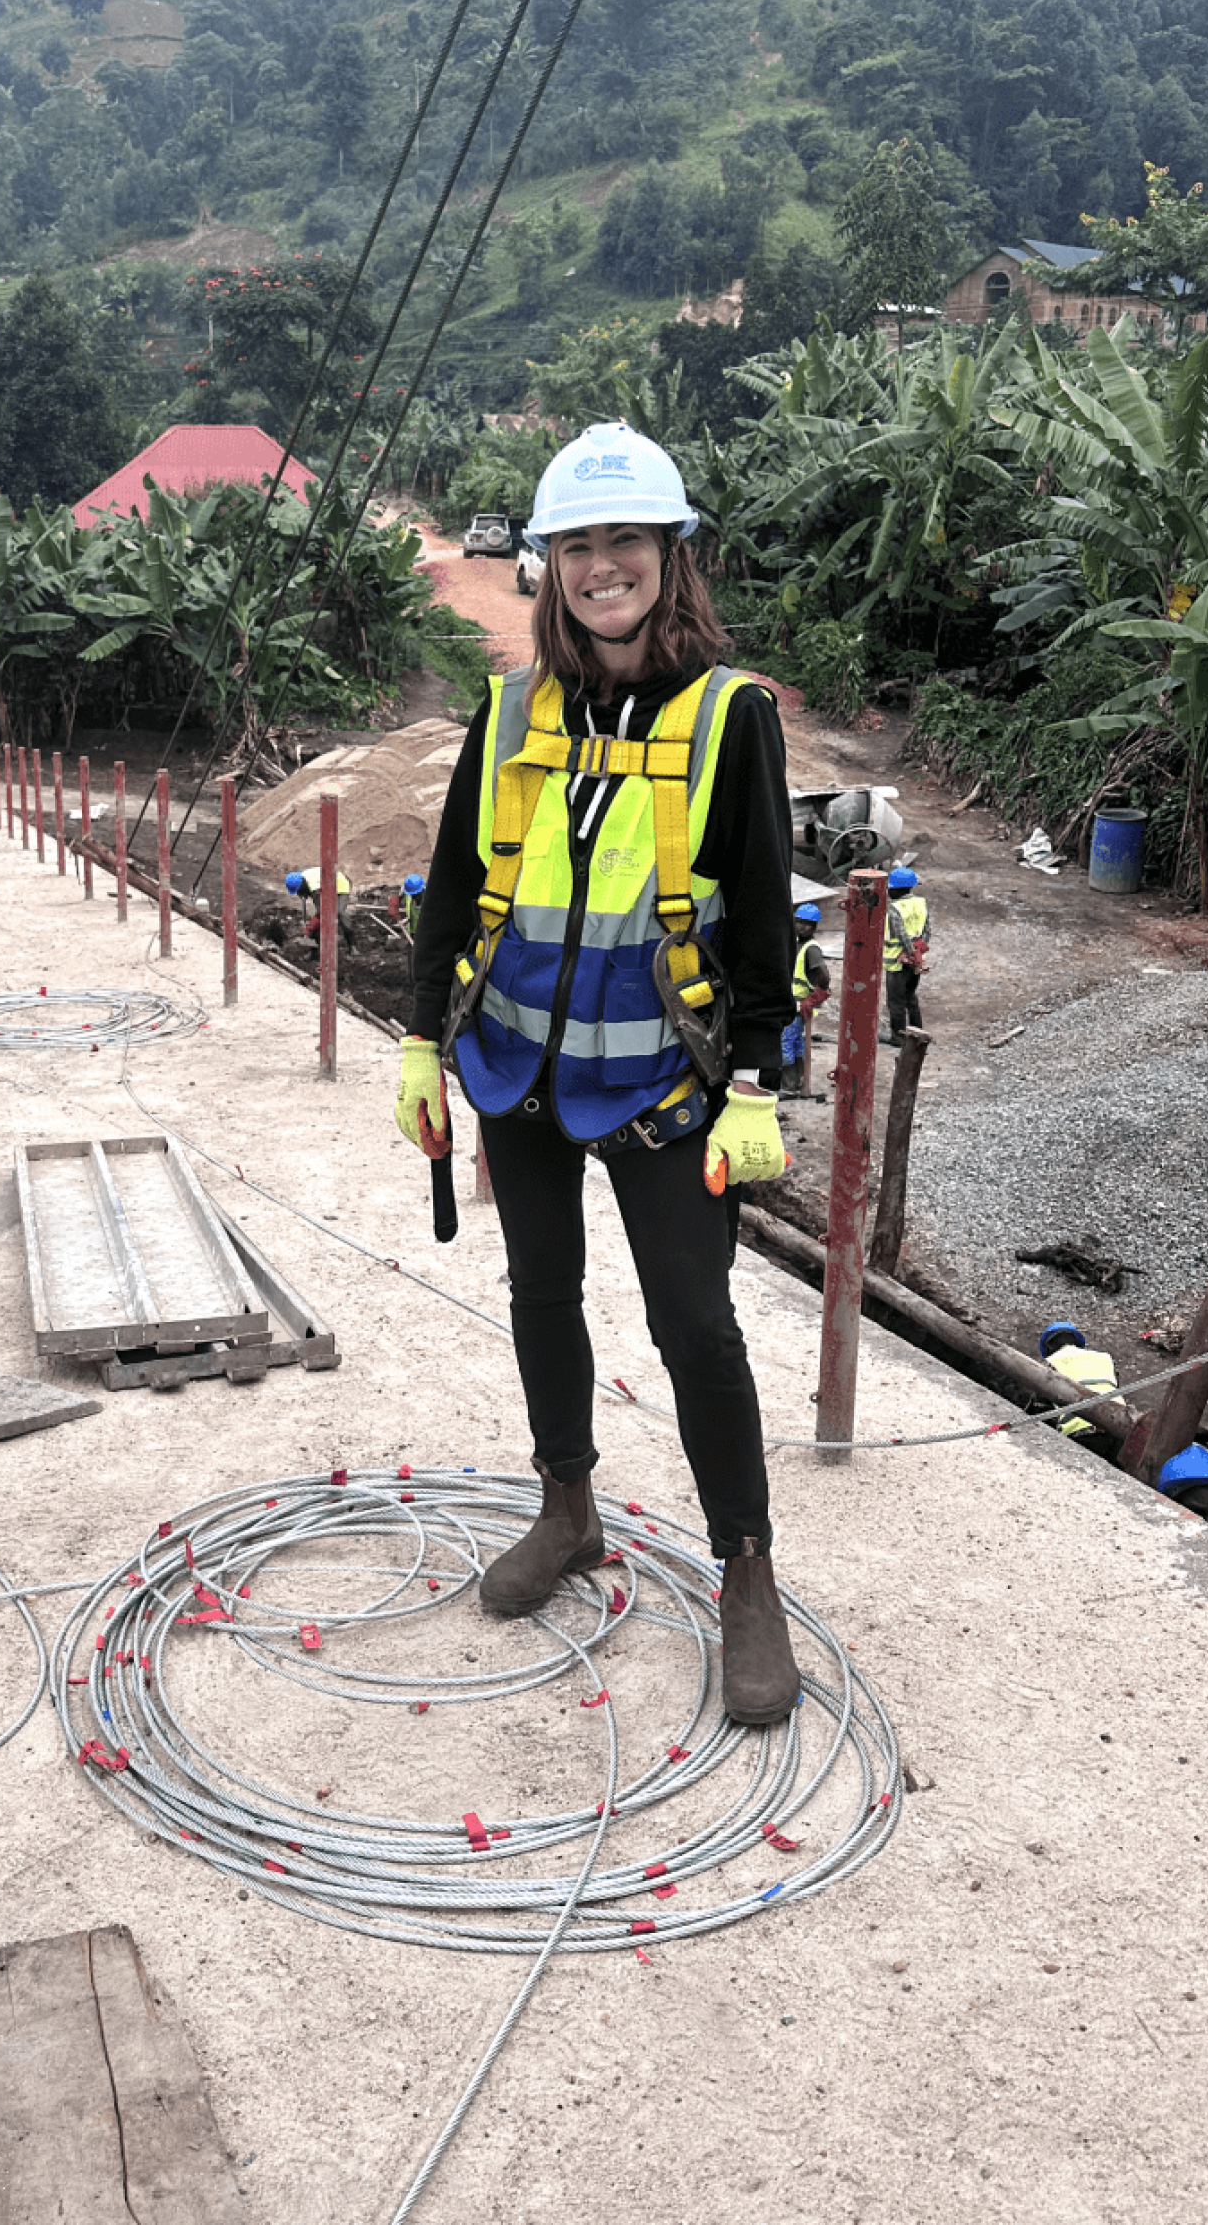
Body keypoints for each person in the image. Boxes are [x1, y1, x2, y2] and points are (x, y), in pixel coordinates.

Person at [393, 422, 803, 1726]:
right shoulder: (512, 710)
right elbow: (455, 885)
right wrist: (417, 1035)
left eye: (626, 539)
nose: (601, 565)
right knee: (540, 1291)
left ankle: (748, 1568)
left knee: (696, 1323)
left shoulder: (730, 717)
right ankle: (566, 1503)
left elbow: (757, 930)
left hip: (665, 1086)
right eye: (578, 544)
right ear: (551, 566)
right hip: (514, 1069)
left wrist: (755, 1084)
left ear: (668, 557)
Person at [1037, 1319, 1119, 1447]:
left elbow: (1039, 1408)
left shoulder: (1050, 1364)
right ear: (1076, 1341)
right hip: (1119, 1427)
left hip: (1078, 1432)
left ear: (1049, 1347)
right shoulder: (1105, 1358)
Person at [781, 901, 831, 1094]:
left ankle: (789, 1085)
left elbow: (824, 976)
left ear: (814, 927)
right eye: (799, 922)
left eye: (807, 924)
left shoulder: (811, 949)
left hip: (800, 1005)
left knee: (786, 1042)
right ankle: (800, 1080)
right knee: (795, 1042)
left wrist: (815, 996)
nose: (801, 926)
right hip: (794, 1003)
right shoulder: (798, 945)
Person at [882, 865, 928, 1042]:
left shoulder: (894, 908)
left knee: (895, 1001)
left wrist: (908, 953)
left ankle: (898, 1036)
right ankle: (918, 1033)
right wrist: (918, 953)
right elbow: (927, 930)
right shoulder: (921, 902)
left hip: (897, 962)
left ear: (895, 890)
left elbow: (901, 934)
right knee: (910, 997)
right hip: (915, 959)